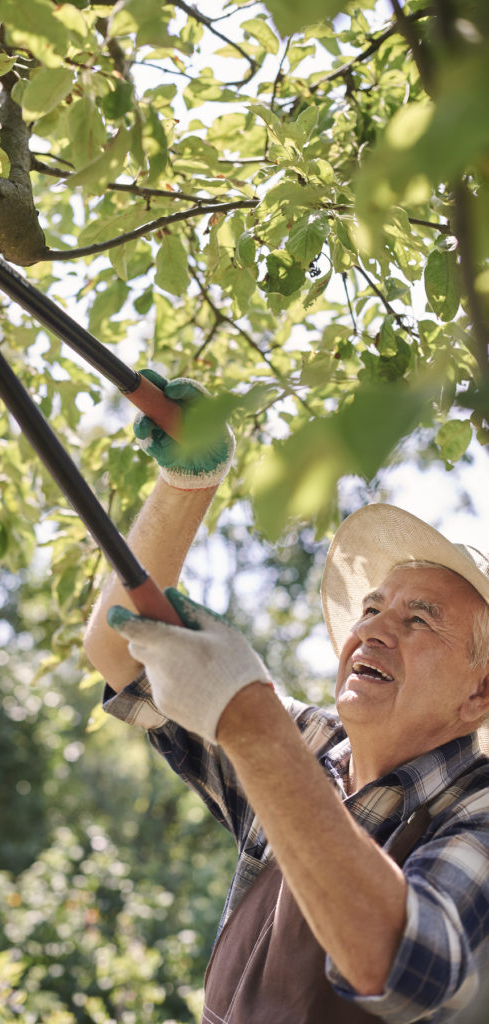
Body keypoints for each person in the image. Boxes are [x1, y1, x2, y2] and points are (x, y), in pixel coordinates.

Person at [83, 374, 489, 1024]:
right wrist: (184, 491)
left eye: (418, 620)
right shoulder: (310, 745)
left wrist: (251, 724)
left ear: (479, 693)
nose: (373, 629)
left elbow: (405, 965)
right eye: (371, 607)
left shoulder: (477, 808)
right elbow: (121, 657)